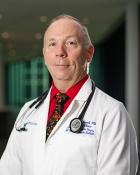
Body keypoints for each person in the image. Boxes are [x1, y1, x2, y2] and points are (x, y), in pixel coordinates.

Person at [0, 14, 138, 175]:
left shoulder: (112, 113)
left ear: (89, 53)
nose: (60, 52)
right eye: (52, 44)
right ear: (44, 55)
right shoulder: (28, 111)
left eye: (71, 43)